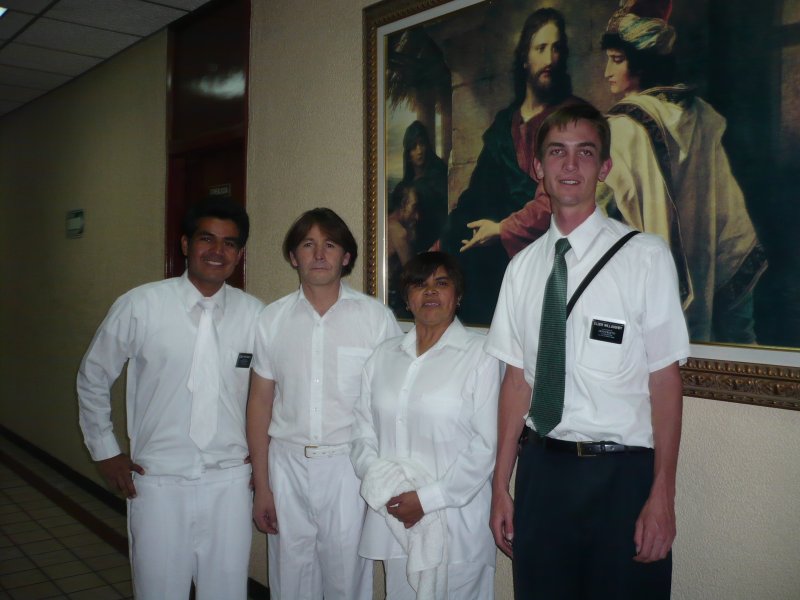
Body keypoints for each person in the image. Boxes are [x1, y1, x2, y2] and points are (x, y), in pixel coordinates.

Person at [486, 104, 690, 599]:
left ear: (605, 169)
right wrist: (500, 485)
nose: (570, 165)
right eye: (557, 152)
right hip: (542, 475)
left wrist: (662, 492)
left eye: (585, 152)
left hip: (621, 478)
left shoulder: (645, 257)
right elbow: (517, 381)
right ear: (539, 168)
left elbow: (665, 381)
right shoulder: (522, 269)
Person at [77, 196, 264, 600]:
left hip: (229, 482)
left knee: (227, 593)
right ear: (185, 244)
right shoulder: (141, 305)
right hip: (158, 481)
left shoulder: (256, 316)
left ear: (240, 253)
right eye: (207, 239)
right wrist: (105, 450)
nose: (218, 251)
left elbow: (272, 393)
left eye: (230, 243)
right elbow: (93, 376)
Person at [246, 208, 401, 600]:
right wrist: (262, 486)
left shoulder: (375, 319)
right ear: (293, 256)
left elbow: (393, 401)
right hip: (286, 465)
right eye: (308, 244)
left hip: (348, 468)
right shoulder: (271, 320)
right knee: (289, 576)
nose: (319, 254)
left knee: (347, 580)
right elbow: (260, 403)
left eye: (329, 245)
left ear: (346, 257)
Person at [598, 0, 767, 342]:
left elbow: (594, 225)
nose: (606, 72)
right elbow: (734, 238)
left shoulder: (619, 130)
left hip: (637, 313)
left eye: (616, 60)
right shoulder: (703, 118)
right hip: (700, 319)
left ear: (643, 63)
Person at [351, 251, 501, 599]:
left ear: (458, 296)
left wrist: (427, 499)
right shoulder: (383, 357)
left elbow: (486, 446)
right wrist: (382, 485)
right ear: (407, 298)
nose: (430, 292)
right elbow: (361, 430)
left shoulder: (482, 356)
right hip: (396, 519)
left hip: (455, 525)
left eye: (442, 283)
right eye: (420, 284)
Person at [439, 7, 585, 324]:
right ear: (524, 57)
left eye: (557, 48)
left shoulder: (572, 118)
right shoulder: (506, 123)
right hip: (492, 252)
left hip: (545, 256)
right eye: (541, 48)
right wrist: (440, 246)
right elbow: (475, 193)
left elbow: (557, 200)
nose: (550, 58)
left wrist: (503, 229)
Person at [401, 121, 448, 253]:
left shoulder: (438, 172)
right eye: (414, 146)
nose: (419, 151)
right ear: (408, 153)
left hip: (435, 244)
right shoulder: (406, 183)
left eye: (422, 144)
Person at [387, 182, 421, 317]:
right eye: (414, 208)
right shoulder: (397, 231)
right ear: (403, 205)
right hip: (393, 299)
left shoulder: (389, 223)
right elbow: (412, 272)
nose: (417, 216)